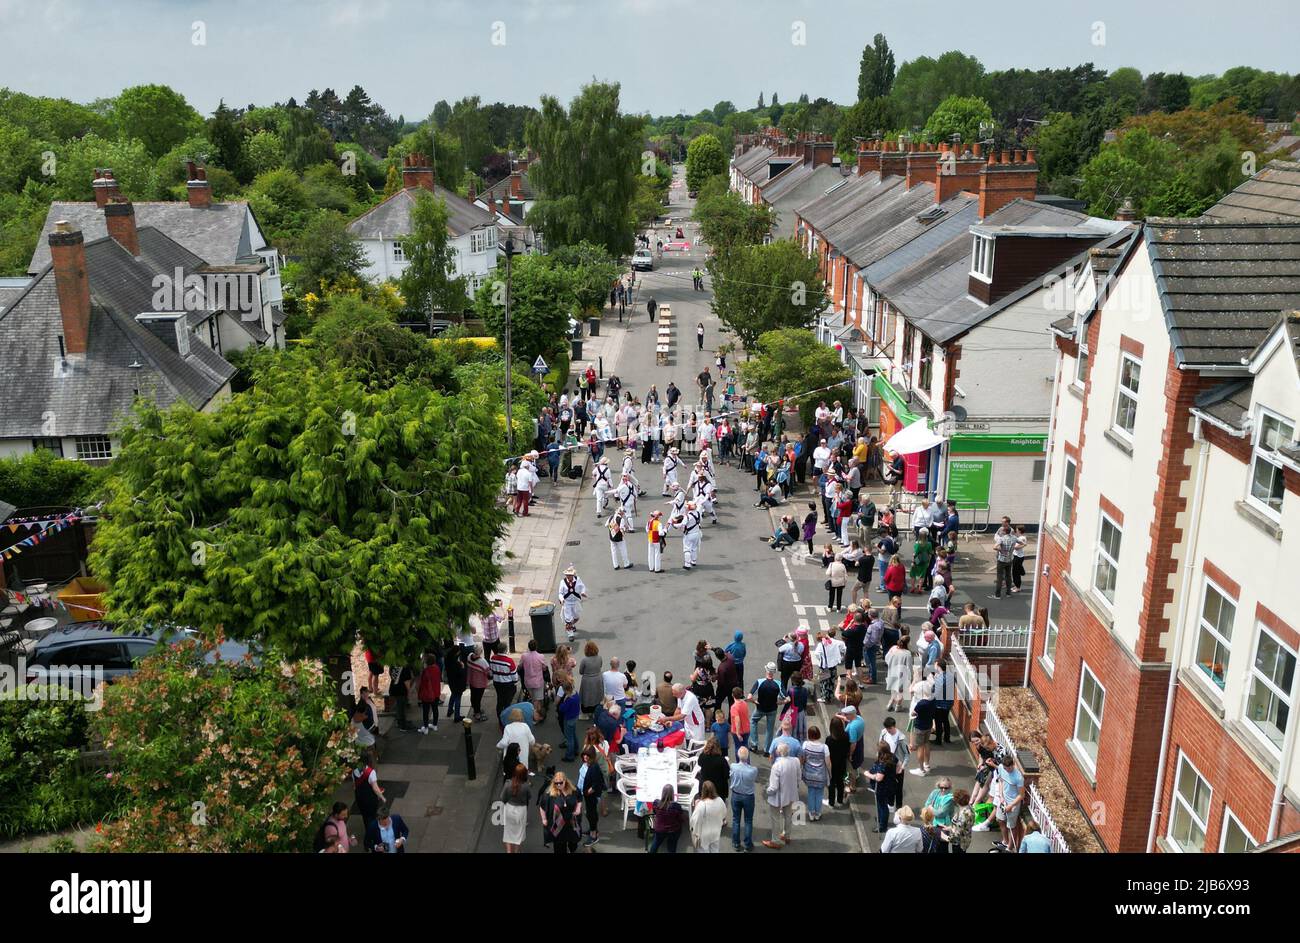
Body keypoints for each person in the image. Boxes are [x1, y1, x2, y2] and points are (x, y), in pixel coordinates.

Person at [538, 770, 582, 854]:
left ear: (565, 781)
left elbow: (579, 798)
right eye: (556, 783)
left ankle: (571, 848)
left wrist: (578, 808)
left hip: (571, 822)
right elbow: (542, 806)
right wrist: (544, 819)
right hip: (558, 823)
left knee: (573, 843)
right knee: (559, 846)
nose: (558, 785)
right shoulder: (549, 794)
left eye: (561, 783)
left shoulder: (574, 790)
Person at [747, 663, 782, 755]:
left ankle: (754, 744)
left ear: (766, 670)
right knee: (769, 729)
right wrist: (779, 702)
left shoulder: (759, 682)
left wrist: (754, 701)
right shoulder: (778, 684)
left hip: (760, 708)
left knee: (753, 721)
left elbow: (749, 696)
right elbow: (787, 698)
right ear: (774, 672)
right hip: (772, 709)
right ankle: (767, 750)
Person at [729, 747, 758, 851]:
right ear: (748, 756)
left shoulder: (733, 766)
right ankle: (747, 844)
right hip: (748, 797)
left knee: (736, 819)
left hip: (736, 795)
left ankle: (736, 843)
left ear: (738, 755)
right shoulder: (753, 770)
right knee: (748, 821)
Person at [577, 746, 607, 846]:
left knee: (591, 814)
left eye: (587, 755)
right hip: (585, 794)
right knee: (590, 813)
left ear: (592, 756)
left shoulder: (594, 768)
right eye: (584, 754)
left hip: (591, 796)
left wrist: (587, 792)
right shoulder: (587, 764)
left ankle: (594, 835)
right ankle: (592, 829)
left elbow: (596, 785)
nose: (585, 757)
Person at [800, 725, 831, 821]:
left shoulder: (805, 745)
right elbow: (828, 763)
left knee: (811, 793)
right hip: (820, 775)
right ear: (819, 735)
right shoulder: (824, 747)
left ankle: (811, 813)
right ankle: (817, 813)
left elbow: (803, 759)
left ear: (809, 735)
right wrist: (830, 774)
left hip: (809, 774)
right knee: (819, 794)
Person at [689, 780, 728, 853]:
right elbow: (724, 814)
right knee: (715, 850)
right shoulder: (720, 800)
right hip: (716, 831)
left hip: (704, 835)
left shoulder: (702, 804)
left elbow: (694, 820)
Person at [996, 754, 1025, 849]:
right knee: (1000, 819)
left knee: (1011, 826)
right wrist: (1001, 796)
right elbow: (1000, 781)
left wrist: (1010, 806)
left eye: (1008, 768)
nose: (1006, 770)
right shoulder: (1001, 767)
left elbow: (1021, 795)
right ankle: (1005, 841)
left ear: (1012, 765)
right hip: (1003, 800)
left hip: (1013, 804)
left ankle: (1010, 847)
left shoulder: (1018, 777)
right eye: (1005, 768)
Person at [351, 749, 385, 827]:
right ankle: (374, 831)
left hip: (359, 797)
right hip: (370, 798)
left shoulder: (354, 772)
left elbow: (354, 786)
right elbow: (375, 788)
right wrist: (382, 797)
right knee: (373, 815)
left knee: (365, 816)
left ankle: (368, 831)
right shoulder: (370, 772)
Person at [649, 783, 686, 853]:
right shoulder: (676, 806)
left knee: (656, 843)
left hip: (660, 829)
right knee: (672, 847)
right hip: (673, 830)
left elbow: (654, 812)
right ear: (672, 794)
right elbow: (681, 819)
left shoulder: (656, 803)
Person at [826, 716, 851, 809]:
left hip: (832, 764)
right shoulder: (846, 736)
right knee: (841, 782)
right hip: (842, 763)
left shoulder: (829, 739)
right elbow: (847, 750)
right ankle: (840, 800)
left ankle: (831, 802)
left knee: (831, 783)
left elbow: (826, 752)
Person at [558, 565, 587, 641]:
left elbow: (583, 587)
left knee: (576, 617)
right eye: (567, 575)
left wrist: (583, 592)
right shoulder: (562, 582)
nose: (568, 577)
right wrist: (562, 599)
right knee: (568, 618)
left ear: (573, 575)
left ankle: (572, 624)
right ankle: (570, 634)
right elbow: (560, 593)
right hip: (567, 603)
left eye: (569, 575)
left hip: (575, 602)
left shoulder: (578, 580)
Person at [943, 789, 974, 854]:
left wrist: (945, 837)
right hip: (966, 839)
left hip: (959, 843)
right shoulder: (970, 809)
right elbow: (963, 826)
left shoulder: (962, 815)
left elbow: (957, 834)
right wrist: (951, 827)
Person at [577, 640, 604, 715]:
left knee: (587, 695)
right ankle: (596, 709)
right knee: (597, 694)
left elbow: (581, 671)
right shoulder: (599, 658)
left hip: (587, 680)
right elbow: (600, 666)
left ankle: (587, 711)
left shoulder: (584, 660)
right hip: (597, 679)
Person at [992, 525, 1017, 599]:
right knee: (1008, 576)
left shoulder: (1001, 539)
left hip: (1001, 560)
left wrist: (1001, 550)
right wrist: (1012, 549)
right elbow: (1022, 543)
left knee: (999, 578)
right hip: (1009, 559)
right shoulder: (1014, 538)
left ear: (1004, 531)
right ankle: (1008, 593)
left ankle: (997, 595)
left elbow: (994, 547)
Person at [1011, 524, 1028, 592]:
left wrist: (1013, 546)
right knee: (1014, 571)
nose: (1016, 530)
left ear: (1019, 530)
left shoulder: (1022, 538)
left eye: (1017, 529)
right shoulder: (1019, 537)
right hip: (1016, 556)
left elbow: (1017, 547)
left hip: (1018, 557)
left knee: (1016, 573)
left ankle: (1018, 587)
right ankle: (1016, 585)